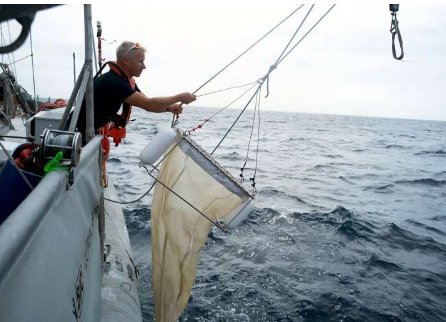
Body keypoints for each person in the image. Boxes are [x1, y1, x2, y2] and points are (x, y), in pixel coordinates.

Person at [74, 41, 196, 135]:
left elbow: (148, 103)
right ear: (126, 61)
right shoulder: (115, 82)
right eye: (141, 61)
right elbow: (149, 104)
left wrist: (169, 108)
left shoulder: (124, 81)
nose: (144, 66)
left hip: (87, 131)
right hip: (76, 133)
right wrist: (180, 97)